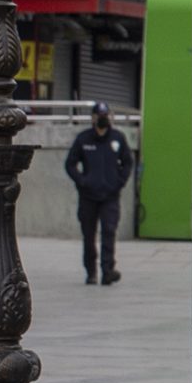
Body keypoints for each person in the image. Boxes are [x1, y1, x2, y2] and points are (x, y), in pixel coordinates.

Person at [63, 102, 135, 287]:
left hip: (110, 196)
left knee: (109, 232)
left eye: (106, 114)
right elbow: (70, 164)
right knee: (89, 235)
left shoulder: (117, 138)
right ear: (93, 117)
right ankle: (91, 272)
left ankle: (108, 271)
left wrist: (119, 182)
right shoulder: (84, 139)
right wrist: (82, 181)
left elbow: (127, 162)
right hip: (88, 197)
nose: (103, 118)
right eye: (100, 115)